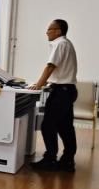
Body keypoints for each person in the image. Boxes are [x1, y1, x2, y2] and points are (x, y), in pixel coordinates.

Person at [29, 19, 79, 172]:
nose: (47, 32)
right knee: (65, 127)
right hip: (67, 90)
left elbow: (50, 66)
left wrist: (39, 84)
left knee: (48, 125)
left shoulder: (60, 44)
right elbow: (58, 70)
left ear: (58, 31)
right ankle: (67, 160)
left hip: (61, 92)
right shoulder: (66, 43)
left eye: (49, 29)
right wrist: (44, 83)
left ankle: (50, 159)